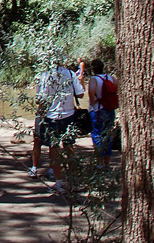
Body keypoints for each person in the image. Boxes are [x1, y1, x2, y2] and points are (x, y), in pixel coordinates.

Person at [33, 60, 85, 192]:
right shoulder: (70, 74)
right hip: (69, 115)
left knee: (54, 148)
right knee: (69, 148)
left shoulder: (45, 75)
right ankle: (73, 181)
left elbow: (40, 99)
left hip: (51, 117)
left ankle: (59, 181)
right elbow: (80, 94)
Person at [86, 58, 119, 169]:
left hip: (98, 111)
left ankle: (99, 163)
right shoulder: (110, 78)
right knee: (107, 135)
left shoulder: (94, 79)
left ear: (93, 69)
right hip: (110, 110)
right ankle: (107, 163)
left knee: (97, 135)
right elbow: (117, 88)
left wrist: (93, 104)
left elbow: (91, 92)